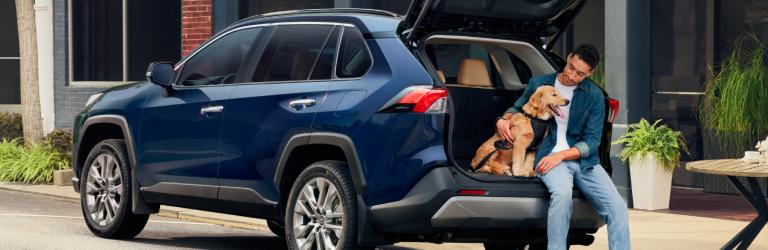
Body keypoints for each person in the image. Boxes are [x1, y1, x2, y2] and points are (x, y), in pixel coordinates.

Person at [496, 44, 630, 250]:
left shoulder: (594, 96)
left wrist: (562, 156)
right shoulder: (540, 84)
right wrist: (503, 119)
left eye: (580, 74)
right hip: (547, 154)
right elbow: (518, 107)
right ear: (568, 58)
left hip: (583, 161)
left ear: (589, 73)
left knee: (618, 208)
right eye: (570, 67)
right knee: (562, 195)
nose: (571, 76)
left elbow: (593, 141)